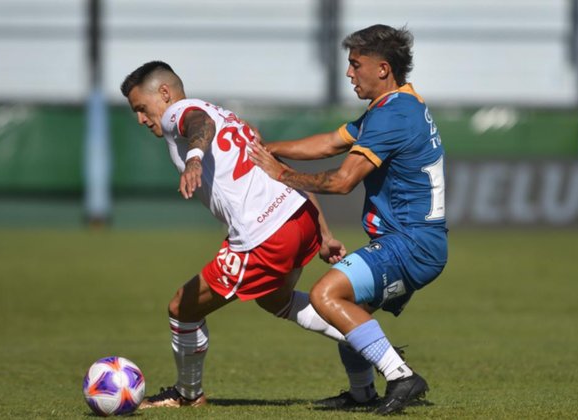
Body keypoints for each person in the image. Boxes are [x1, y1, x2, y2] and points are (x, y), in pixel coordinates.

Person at [119, 61, 348, 409]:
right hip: (299, 214)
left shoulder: (179, 112)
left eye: (141, 108)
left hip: (266, 234)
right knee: (276, 300)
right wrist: (324, 230)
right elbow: (273, 164)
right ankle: (369, 340)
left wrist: (194, 158)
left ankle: (187, 394)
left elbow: (198, 124)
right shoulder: (226, 115)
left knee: (182, 308)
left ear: (164, 93)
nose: (141, 119)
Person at [249, 24, 447, 415]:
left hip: (411, 243)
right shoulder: (398, 105)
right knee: (351, 316)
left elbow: (341, 181)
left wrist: (281, 174)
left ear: (383, 69)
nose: (349, 73)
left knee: (326, 295)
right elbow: (330, 142)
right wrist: (267, 149)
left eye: (356, 65)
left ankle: (402, 376)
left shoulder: (392, 117)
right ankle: (361, 394)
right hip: (416, 241)